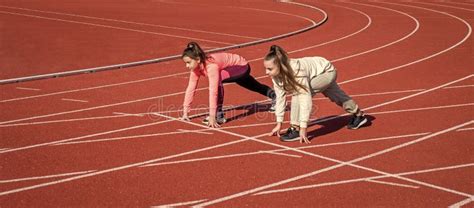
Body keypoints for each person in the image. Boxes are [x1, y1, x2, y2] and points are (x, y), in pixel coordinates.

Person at [264, 45, 367, 143]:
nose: (266, 72)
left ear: (280, 66)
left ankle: (295, 128)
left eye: (270, 69)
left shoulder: (296, 71)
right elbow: (281, 98)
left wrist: (303, 127)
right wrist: (279, 123)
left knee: (298, 94)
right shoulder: (275, 76)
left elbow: (305, 98)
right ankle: (359, 115)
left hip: (326, 72)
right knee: (336, 95)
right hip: (316, 72)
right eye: (266, 68)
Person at [180, 42, 276, 128]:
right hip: (233, 69)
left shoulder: (211, 67)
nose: (187, 66)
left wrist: (212, 116)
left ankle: (219, 115)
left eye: (188, 62)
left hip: (241, 66)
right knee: (254, 86)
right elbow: (190, 89)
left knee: (219, 78)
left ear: (197, 59)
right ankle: (275, 96)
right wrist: (185, 112)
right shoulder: (195, 70)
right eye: (185, 63)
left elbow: (213, 92)